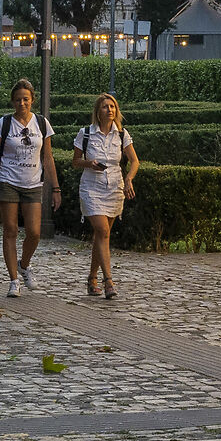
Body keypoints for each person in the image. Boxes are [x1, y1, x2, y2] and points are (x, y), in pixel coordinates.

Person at [0, 79, 58, 297]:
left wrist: (56, 188)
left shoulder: (41, 123)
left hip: (33, 183)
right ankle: (13, 280)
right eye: (18, 100)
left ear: (32, 100)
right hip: (8, 181)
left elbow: (48, 157)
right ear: (12, 101)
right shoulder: (3, 124)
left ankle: (24, 264)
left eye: (26, 99)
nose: (22, 103)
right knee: (10, 230)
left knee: (34, 233)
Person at [72, 93, 138, 300]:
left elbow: (135, 161)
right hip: (92, 187)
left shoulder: (122, 134)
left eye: (112, 106)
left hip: (115, 187)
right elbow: (75, 161)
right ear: (97, 111)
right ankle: (108, 280)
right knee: (102, 231)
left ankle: (92, 278)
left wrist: (129, 179)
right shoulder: (86, 134)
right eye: (105, 106)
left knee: (102, 235)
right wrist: (89, 163)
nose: (109, 110)